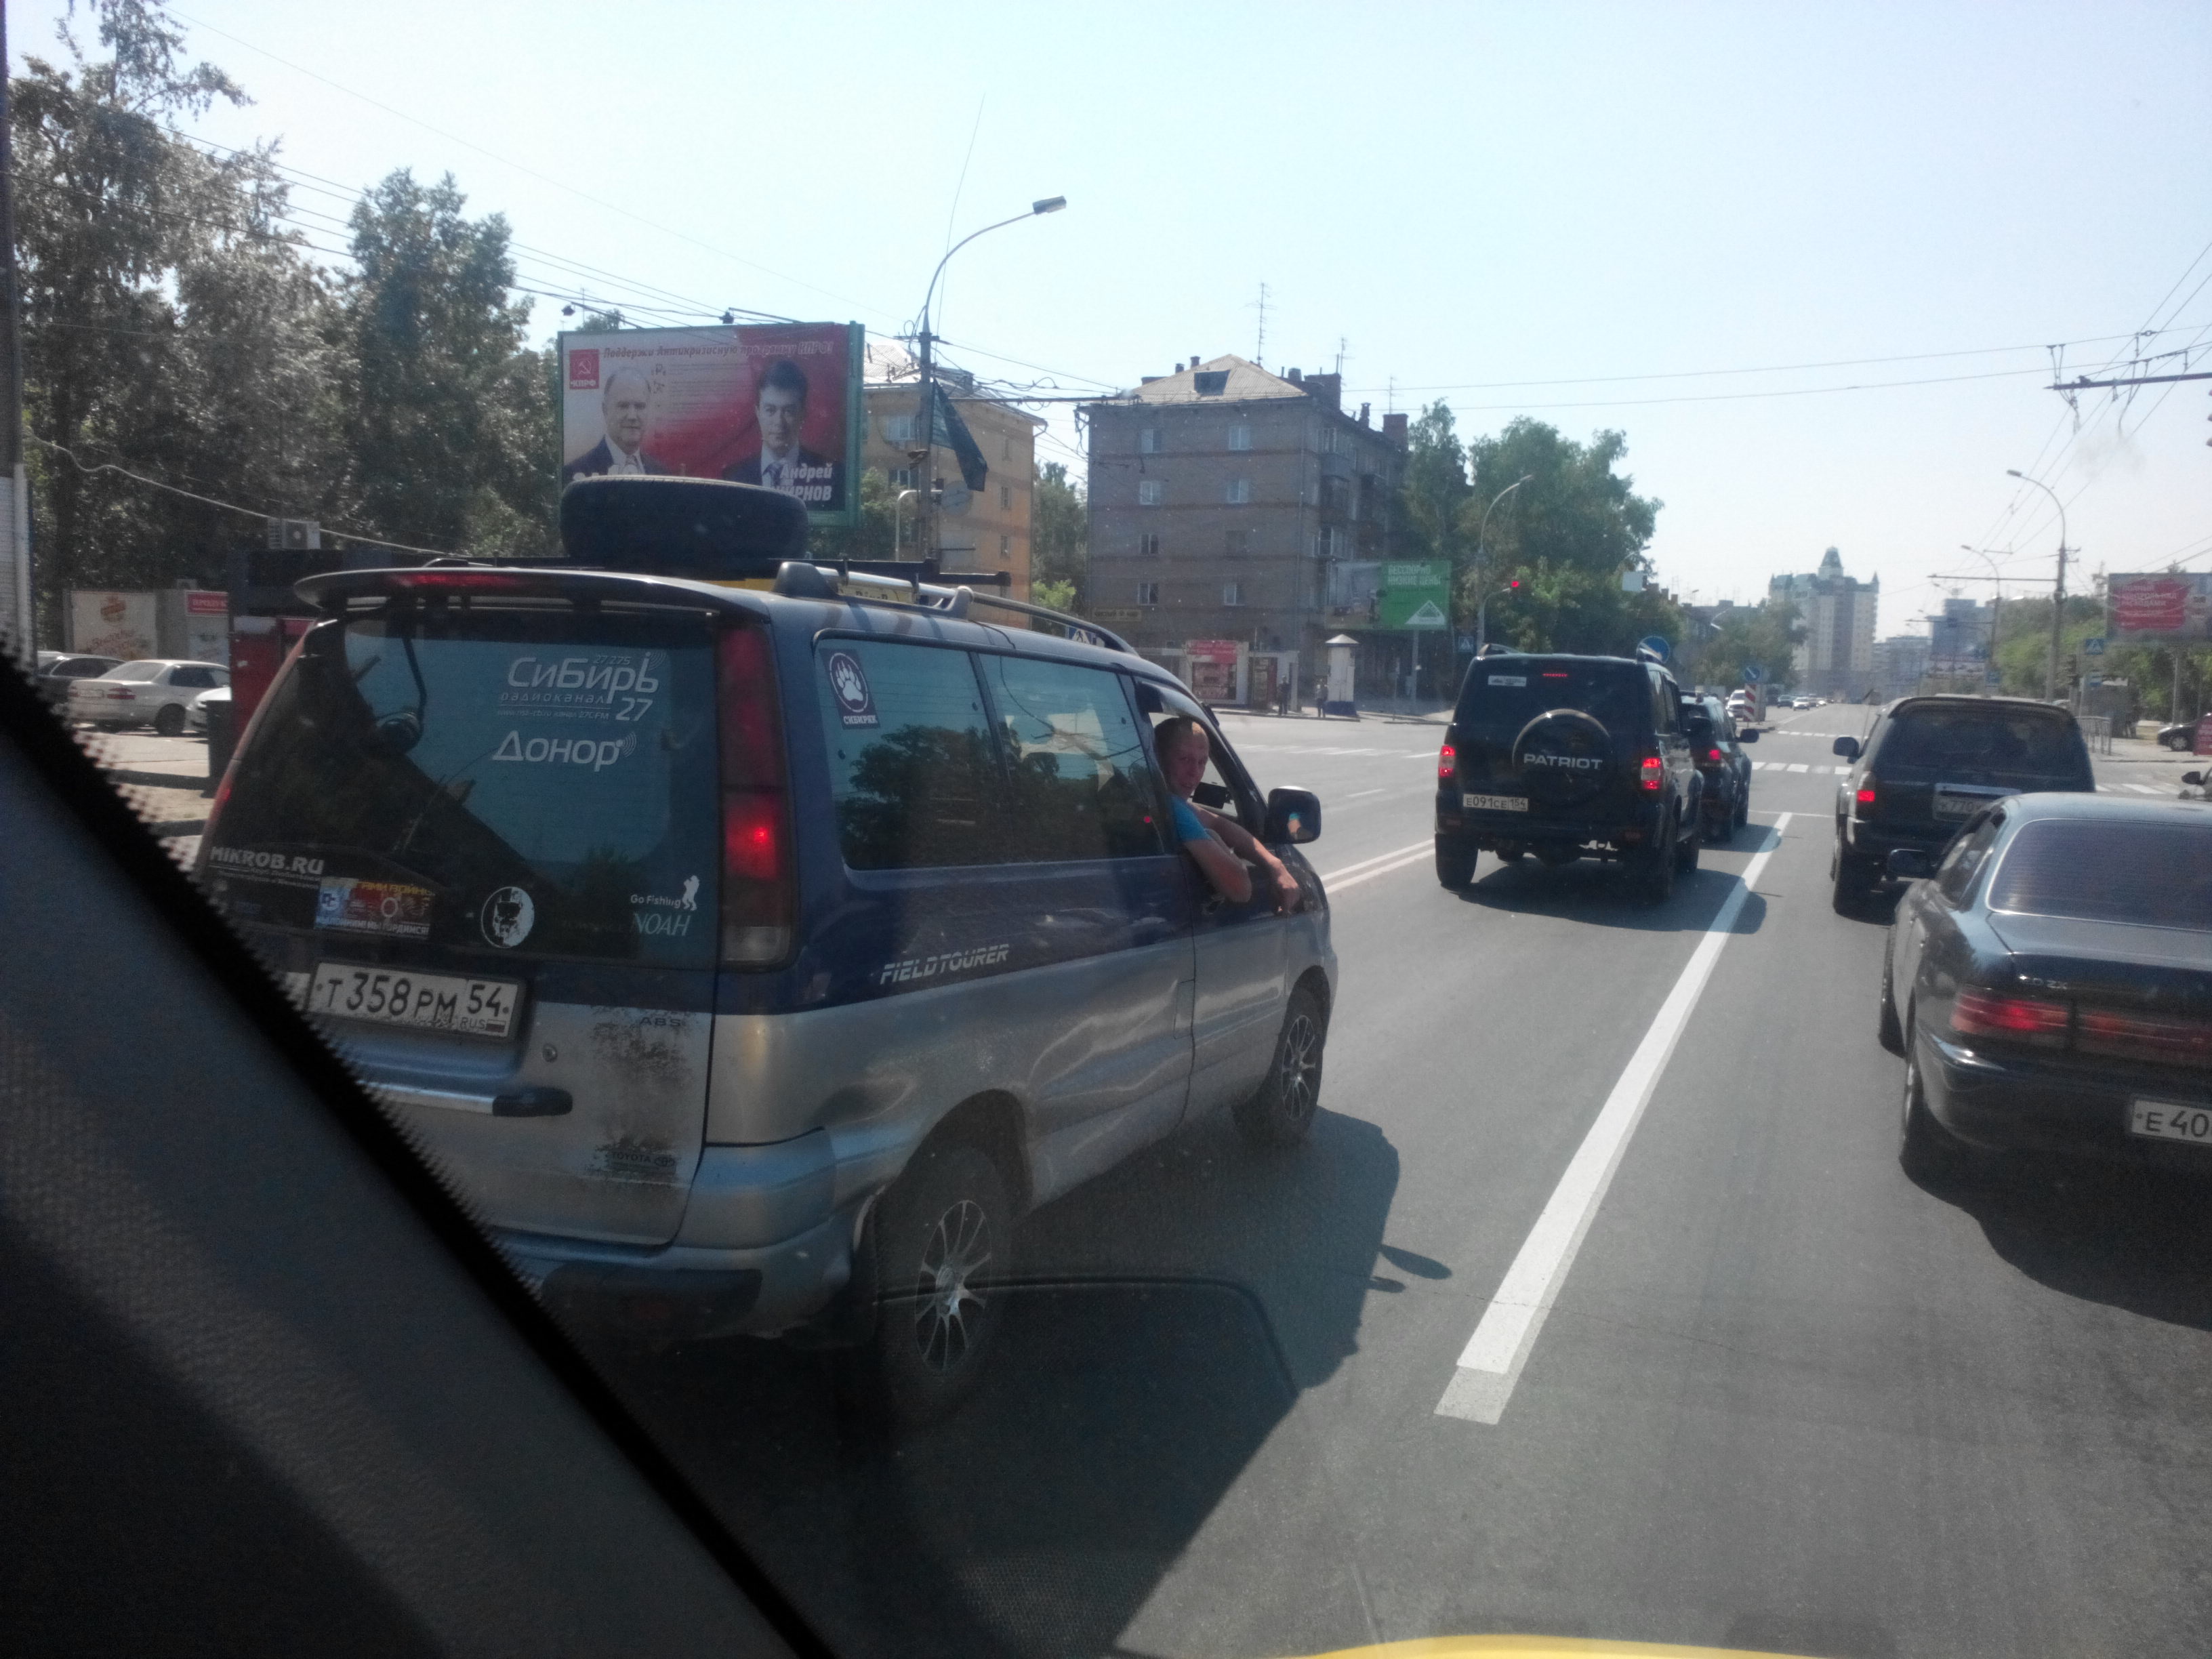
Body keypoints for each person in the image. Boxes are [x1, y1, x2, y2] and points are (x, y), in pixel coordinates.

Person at [1153, 716, 1302, 913]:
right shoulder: (1170, 809)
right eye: (1184, 759)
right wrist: (1214, 839)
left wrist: (1275, 865)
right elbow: (1241, 890)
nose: (1194, 772)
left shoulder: (1159, 801)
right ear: (1158, 759)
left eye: (1202, 762)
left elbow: (1219, 823)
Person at [720, 359, 844, 508]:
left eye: (789, 411)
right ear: (758, 413)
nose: (779, 422)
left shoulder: (834, 475)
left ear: (803, 414)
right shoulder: (733, 478)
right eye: (770, 410)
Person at [562, 369, 669, 482]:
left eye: (640, 406)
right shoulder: (576, 473)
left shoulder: (662, 474)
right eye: (623, 406)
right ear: (605, 410)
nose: (632, 416)